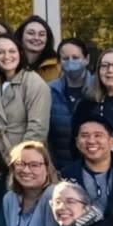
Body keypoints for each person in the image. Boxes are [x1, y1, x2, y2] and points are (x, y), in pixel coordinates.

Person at [0, 34, 52, 153]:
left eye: (12, 51)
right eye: (0, 52)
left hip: (23, 157)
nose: (7, 56)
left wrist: (21, 157)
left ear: (20, 53)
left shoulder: (33, 82)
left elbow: (37, 130)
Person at [48, 37, 94, 170]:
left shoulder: (98, 88)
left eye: (75, 57)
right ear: (59, 62)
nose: (71, 62)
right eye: (65, 58)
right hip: (60, 168)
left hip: (93, 166)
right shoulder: (50, 90)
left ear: (86, 59)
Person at [15, 16, 61, 82]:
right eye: (31, 33)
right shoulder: (10, 64)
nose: (36, 38)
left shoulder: (58, 66)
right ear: (21, 36)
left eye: (41, 34)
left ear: (47, 39)